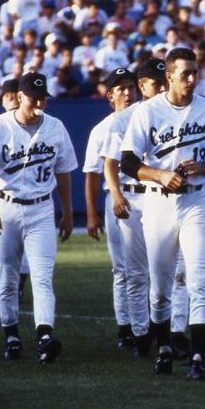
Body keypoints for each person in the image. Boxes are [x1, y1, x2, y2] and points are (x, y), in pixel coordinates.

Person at [119, 48, 205, 380]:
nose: (191, 78)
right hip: (158, 201)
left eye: (195, 72)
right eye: (184, 73)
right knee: (160, 287)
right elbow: (127, 161)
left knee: (199, 279)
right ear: (168, 76)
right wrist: (158, 174)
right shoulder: (148, 111)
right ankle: (165, 348)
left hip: (198, 200)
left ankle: (198, 356)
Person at [0, 73, 77, 362]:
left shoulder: (55, 126)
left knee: (42, 275)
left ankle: (44, 336)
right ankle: (12, 334)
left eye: (43, 97)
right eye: (34, 97)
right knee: (7, 275)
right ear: (19, 97)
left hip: (42, 208)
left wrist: (67, 212)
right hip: (6, 207)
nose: (40, 102)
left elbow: (64, 171)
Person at [100, 58, 174, 357]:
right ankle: (140, 334)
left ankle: (164, 330)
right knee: (135, 271)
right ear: (144, 86)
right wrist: (116, 195)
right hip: (131, 195)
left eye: (163, 83)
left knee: (167, 268)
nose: (160, 89)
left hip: (161, 195)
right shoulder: (123, 118)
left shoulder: (171, 113)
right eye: (155, 84)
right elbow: (109, 163)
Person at [83, 68, 139, 352]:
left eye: (131, 87)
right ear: (110, 95)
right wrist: (91, 214)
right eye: (121, 89)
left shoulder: (145, 117)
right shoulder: (102, 129)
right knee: (121, 268)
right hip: (117, 199)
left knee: (148, 266)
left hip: (147, 196)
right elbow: (93, 174)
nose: (127, 93)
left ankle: (148, 323)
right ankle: (125, 327)